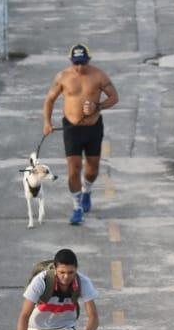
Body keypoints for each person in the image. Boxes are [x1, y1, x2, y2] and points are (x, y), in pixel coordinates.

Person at [41, 43, 119, 225]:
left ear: (88, 61)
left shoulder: (98, 75)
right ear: (71, 62)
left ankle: (87, 190)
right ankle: (77, 207)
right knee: (74, 167)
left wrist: (97, 106)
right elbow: (50, 99)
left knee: (92, 169)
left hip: (93, 127)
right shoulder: (63, 77)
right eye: (76, 63)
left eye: (83, 63)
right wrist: (47, 122)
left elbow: (114, 97)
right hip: (72, 128)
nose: (79, 67)